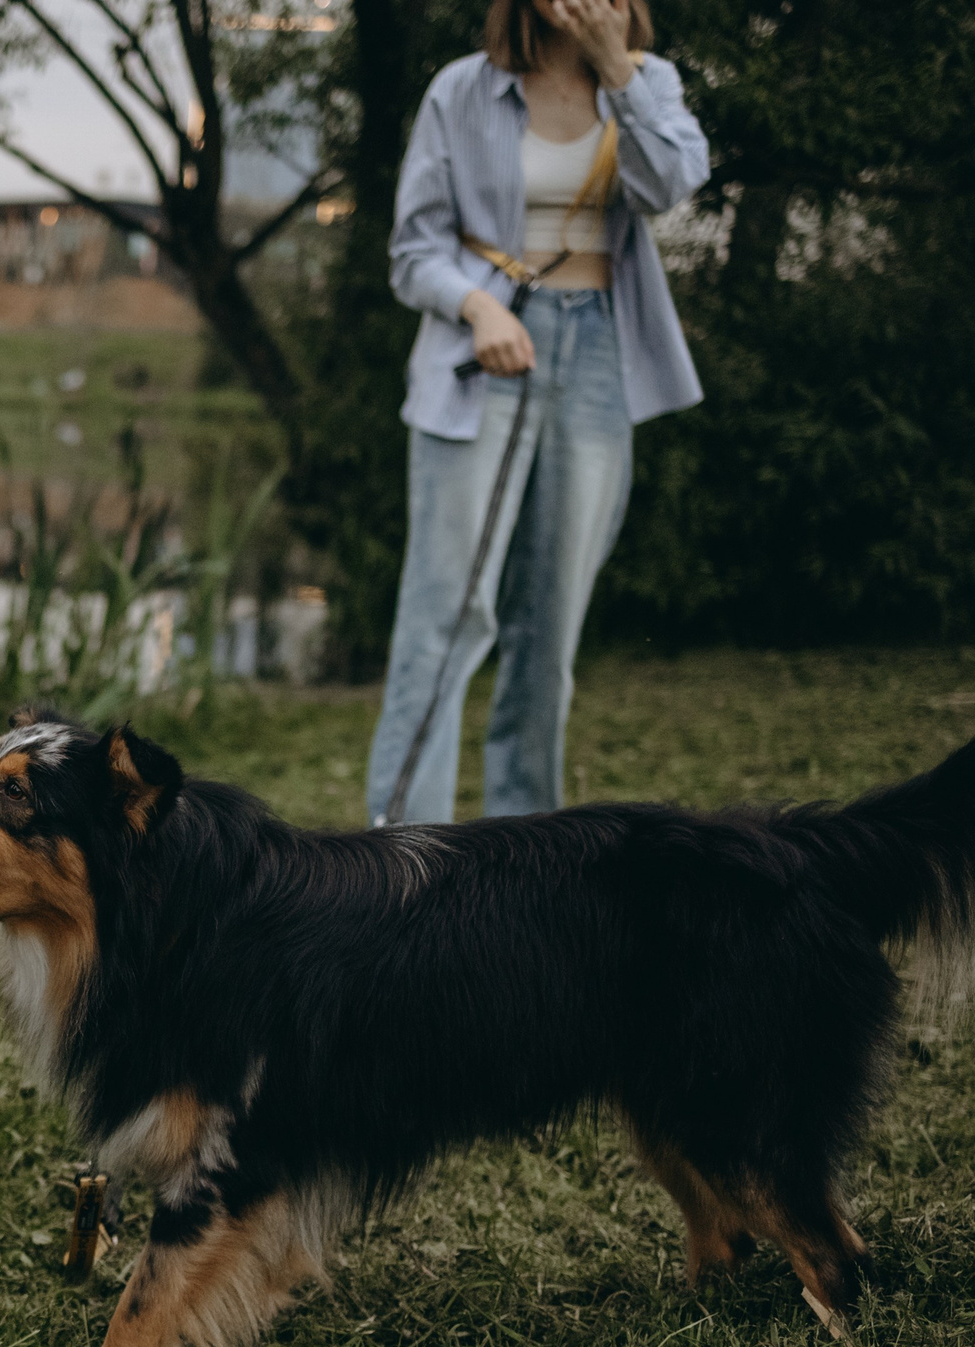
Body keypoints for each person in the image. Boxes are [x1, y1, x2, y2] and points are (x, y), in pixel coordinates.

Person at [367, 0, 709, 825]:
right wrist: (477, 307)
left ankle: (527, 856)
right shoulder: (463, 90)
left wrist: (616, 67)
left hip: (596, 354)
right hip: (480, 354)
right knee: (445, 615)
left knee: (550, 630)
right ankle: (399, 854)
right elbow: (413, 250)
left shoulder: (650, 82)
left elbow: (670, 186)